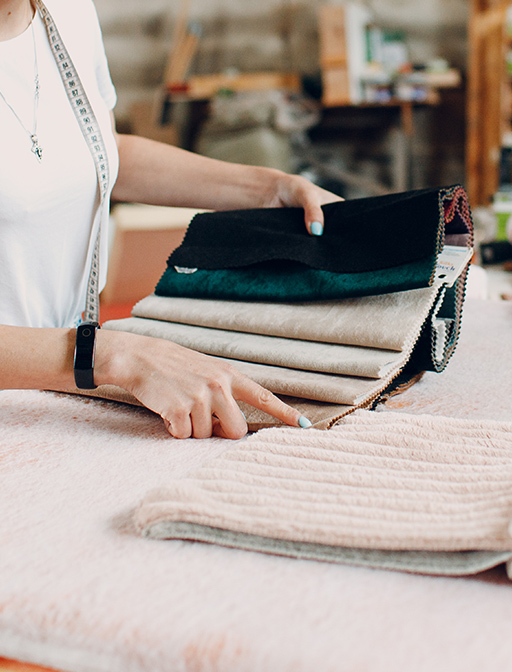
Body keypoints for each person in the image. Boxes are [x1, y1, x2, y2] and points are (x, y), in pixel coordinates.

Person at [0, 0, 341, 439]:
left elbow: (101, 152)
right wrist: (112, 356)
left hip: (57, 393)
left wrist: (267, 189)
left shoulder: (68, 12)